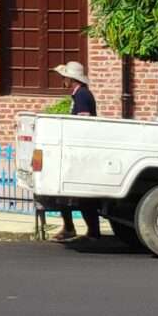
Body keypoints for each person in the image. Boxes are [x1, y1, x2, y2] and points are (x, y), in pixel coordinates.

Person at [50, 58, 105, 245]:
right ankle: (74, 228)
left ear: (71, 79)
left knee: (81, 195)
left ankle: (89, 231)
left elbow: (82, 125)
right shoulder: (79, 95)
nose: (62, 81)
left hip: (82, 153)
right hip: (80, 152)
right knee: (69, 194)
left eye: (64, 78)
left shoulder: (82, 96)